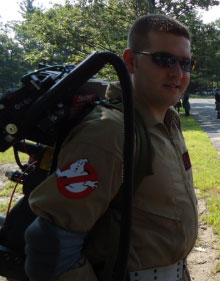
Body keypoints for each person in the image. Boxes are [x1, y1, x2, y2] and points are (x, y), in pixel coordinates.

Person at [23, 14, 198, 281]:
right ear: (130, 61)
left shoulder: (168, 121)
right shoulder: (109, 132)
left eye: (185, 63)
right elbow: (50, 247)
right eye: (164, 60)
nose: (177, 73)